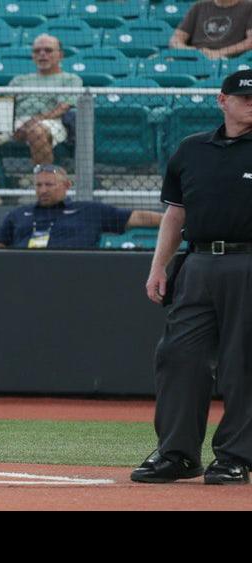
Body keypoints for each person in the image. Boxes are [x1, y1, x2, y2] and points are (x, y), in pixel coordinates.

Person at [131, 69, 252, 486]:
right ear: (222, 100)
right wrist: (157, 266)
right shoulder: (192, 149)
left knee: (243, 363)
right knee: (178, 357)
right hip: (198, 262)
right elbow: (175, 213)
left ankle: (235, 456)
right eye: (244, 97)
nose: (251, 103)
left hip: (248, 262)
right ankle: (177, 453)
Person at [0, 164, 162, 249]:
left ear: (66, 185)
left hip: (73, 270)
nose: (43, 190)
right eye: (38, 185)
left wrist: (171, 220)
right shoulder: (19, 214)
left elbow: (137, 217)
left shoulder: (89, 211)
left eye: (49, 185)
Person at [0, 35, 82, 168]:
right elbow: (4, 105)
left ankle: (45, 177)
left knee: (36, 131)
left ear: (60, 55)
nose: (42, 54)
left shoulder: (70, 79)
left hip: (51, 121)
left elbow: (63, 108)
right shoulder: (19, 80)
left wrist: (35, 121)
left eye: (48, 50)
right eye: (37, 51)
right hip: (16, 121)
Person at [169, 0, 252, 60]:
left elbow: (250, 42)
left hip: (229, 60)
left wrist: (219, 53)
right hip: (195, 57)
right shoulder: (198, 6)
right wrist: (193, 51)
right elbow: (175, 40)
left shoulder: (249, 7)